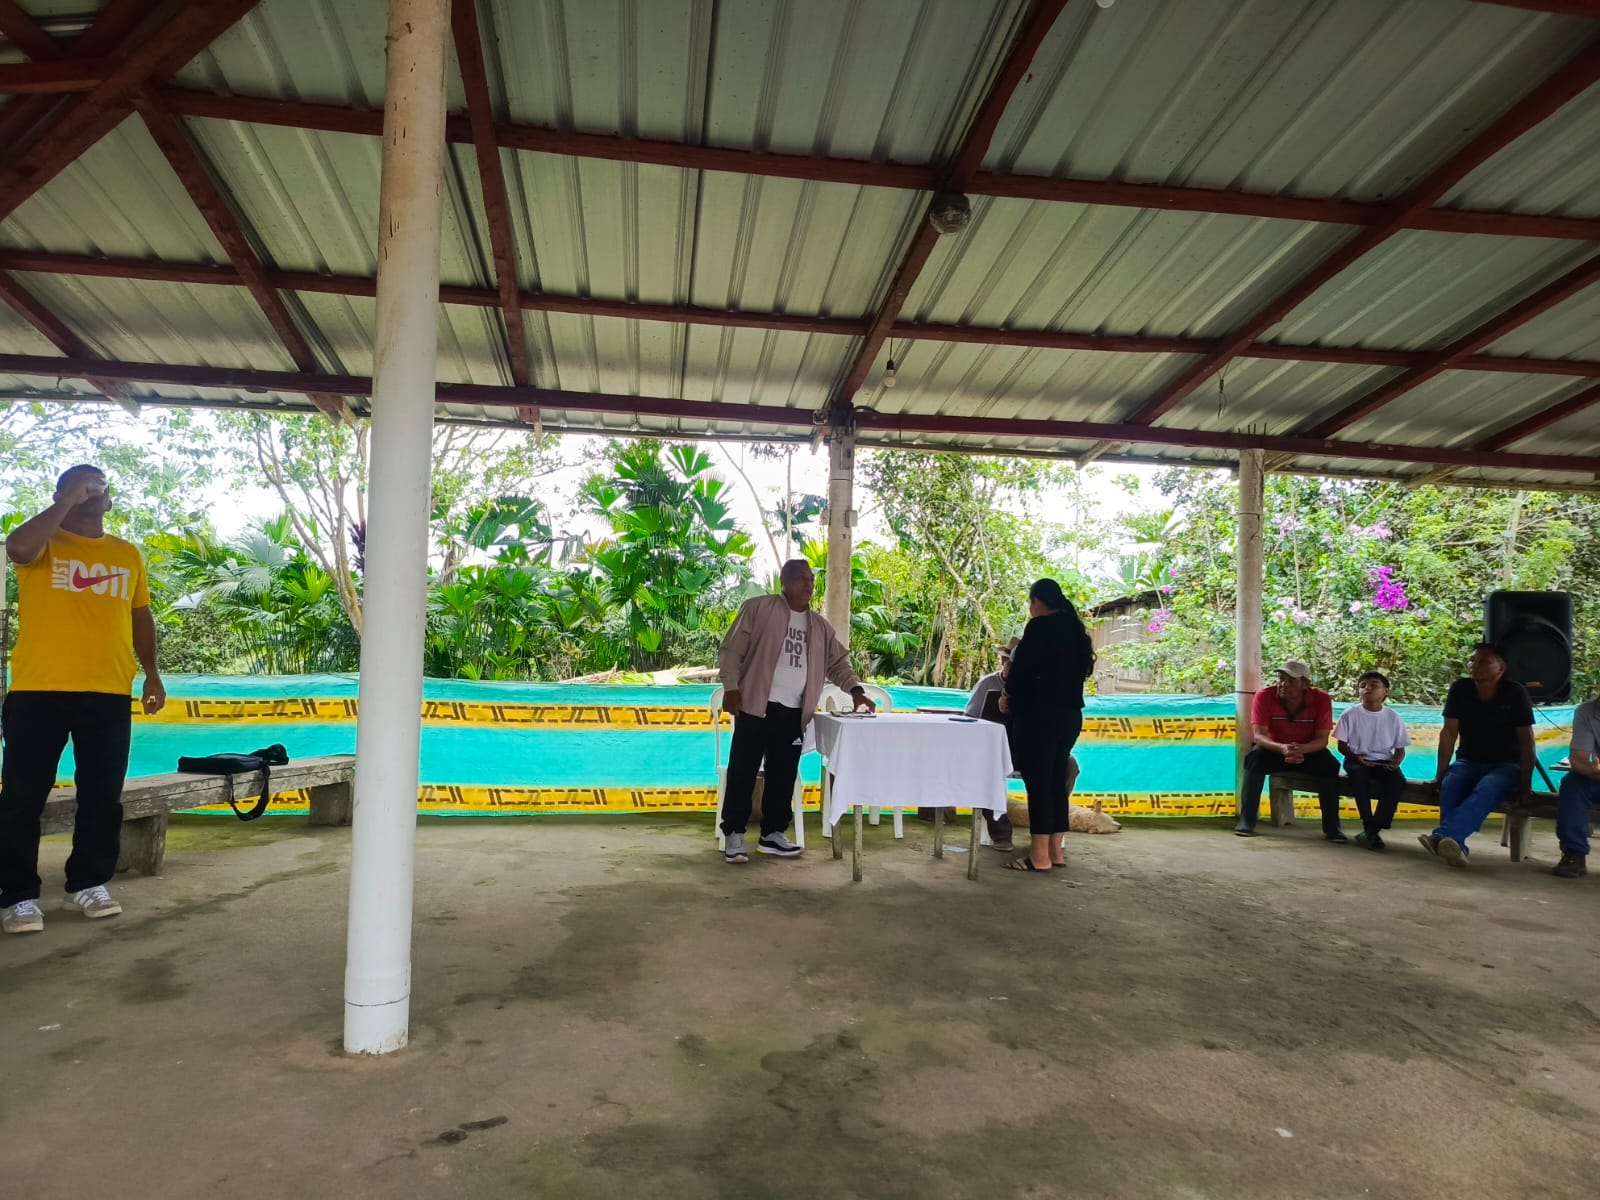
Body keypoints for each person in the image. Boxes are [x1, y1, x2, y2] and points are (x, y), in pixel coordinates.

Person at [1, 465, 166, 935]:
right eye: (82, 484)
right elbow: (17, 547)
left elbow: (140, 617)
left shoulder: (126, 554)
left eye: (99, 486)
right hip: (38, 690)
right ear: (63, 494)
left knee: (102, 796)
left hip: (108, 690)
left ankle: (88, 884)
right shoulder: (43, 543)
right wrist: (67, 501)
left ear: (109, 501)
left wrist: (152, 674)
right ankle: (18, 897)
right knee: (22, 798)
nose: (93, 490)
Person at [716, 559, 873, 864]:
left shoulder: (820, 627)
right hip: (755, 705)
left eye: (811, 579)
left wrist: (855, 690)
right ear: (784, 581)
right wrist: (731, 687)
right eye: (801, 578)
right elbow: (732, 650)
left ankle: (772, 835)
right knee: (743, 771)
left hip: (794, 712)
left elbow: (838, 663)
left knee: (783, 774)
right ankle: (734, 834)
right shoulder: (758, 609)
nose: (808, 584)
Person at [998, 579, 1093, 872]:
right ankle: (1055, 851)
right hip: (1069, 716)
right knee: (1055, 782)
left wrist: (1006, 695)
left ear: (1037, 601)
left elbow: (1020, 672)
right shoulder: (1075, 629)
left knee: (1038, 785)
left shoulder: (1039, 627)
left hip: (1038, 716)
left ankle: (1039, 857)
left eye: (1031, 603)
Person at [1421, 642, 1534, 868]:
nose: (1474, 665)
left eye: (1483, 661)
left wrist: (1525, 785)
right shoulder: (1460, 689)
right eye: (1472, 660)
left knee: (1489, 786)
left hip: (1506, 765)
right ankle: (1456, 844)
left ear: (1501, 668)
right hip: (1469, 760)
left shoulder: (1515, 692)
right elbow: (1449, 734)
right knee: (1452, 782)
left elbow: (1526, 741)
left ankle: (1442, 836)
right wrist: (1439, 776)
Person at [1234, 661, 1347, 842]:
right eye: (1281, 679)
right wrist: (1282, 748)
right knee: (1254, 758)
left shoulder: (1321, 699)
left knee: (1330, 765)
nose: (1283, 684)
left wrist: (1301, 749)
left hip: (1308, 750)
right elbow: (1259, 736)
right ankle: (1247, 821)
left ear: (1305, 684)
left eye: (1291, 681)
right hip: (1275, 749)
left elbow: (1322, 740)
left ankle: (1333, 828)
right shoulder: (1264, 696)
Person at [1333, 670, 1410, 851]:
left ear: (1386, 691)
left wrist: (1395, 762)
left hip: (1383, 761)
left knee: (1397, 781)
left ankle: (1372, 831)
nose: (1367, 688)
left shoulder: (1393, 717)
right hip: (1356, 759)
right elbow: (1342, 745)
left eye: (1373, 685)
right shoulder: (1350, 714)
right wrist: (1356, 756)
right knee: (1359, 776)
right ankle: (1369, 825)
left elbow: (1400, 748)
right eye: (1363, 686)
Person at [1552, 693, 1599, 879]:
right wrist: (1592, 770)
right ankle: (1574, 854)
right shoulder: (1587, 711)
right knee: (1573, 784)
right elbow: (1578, 759)